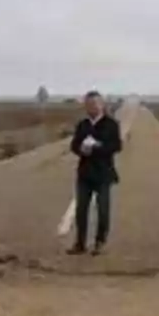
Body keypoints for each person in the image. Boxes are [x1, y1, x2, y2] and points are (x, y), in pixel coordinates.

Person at [67, 90, 122, 255]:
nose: (92, 107)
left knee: (103, 210)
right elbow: (74, 145)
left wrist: (97, 147)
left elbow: (116, 146)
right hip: (85, 174)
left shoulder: (111, 124)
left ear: (102, 105)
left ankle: (99, 242)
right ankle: (80, 243)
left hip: (104, 174)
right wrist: (81, 149)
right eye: (89, 104)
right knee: (81, 210)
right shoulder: (82, 125)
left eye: (95, 103)